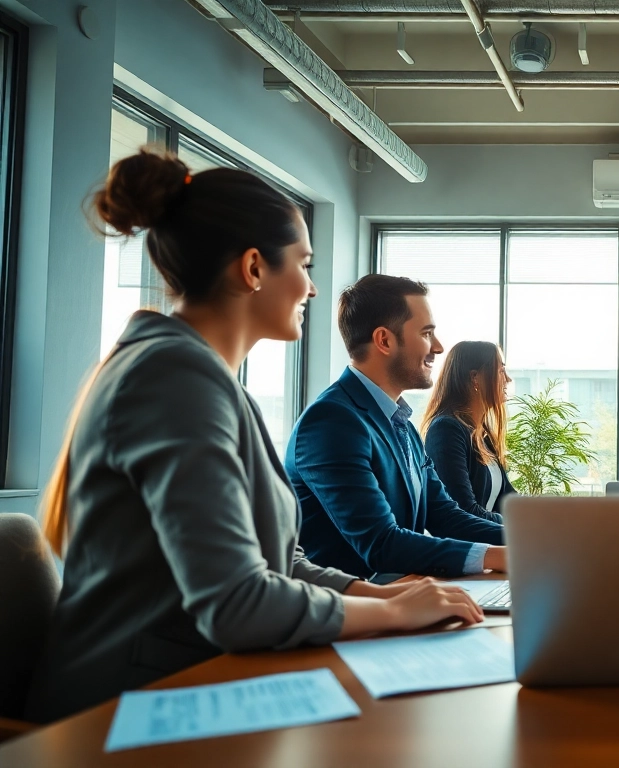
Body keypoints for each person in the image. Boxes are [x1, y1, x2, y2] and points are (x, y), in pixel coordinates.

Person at [26, 152, 482, 724]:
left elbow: (278, 564)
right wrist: (394, 617)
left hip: (195, 678)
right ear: (253, 269)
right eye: (304, 264)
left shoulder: (205, 378)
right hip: (125, 712)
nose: (312, 289)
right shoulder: (173, 378)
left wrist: (384, 597)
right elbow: (237, 603)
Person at [287, 276, 506, 581]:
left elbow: (444, 515)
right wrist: (499, 555)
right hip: (354, 615)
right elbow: (381, 544)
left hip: (400, 597)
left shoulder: (400, 423)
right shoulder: (331, 422)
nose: (439, 347)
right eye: (427, 333)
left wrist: (530, 540)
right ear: (385, 340)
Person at [422, 341, 516, 524]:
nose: (508, 379)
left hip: (492, 543)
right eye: (501, 371)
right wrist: (517, 527)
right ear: (475, 378)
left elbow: (509, 500)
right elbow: (463, 510)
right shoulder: (446, 430)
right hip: (471, 549)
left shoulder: (483, 434)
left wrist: (543, 516)